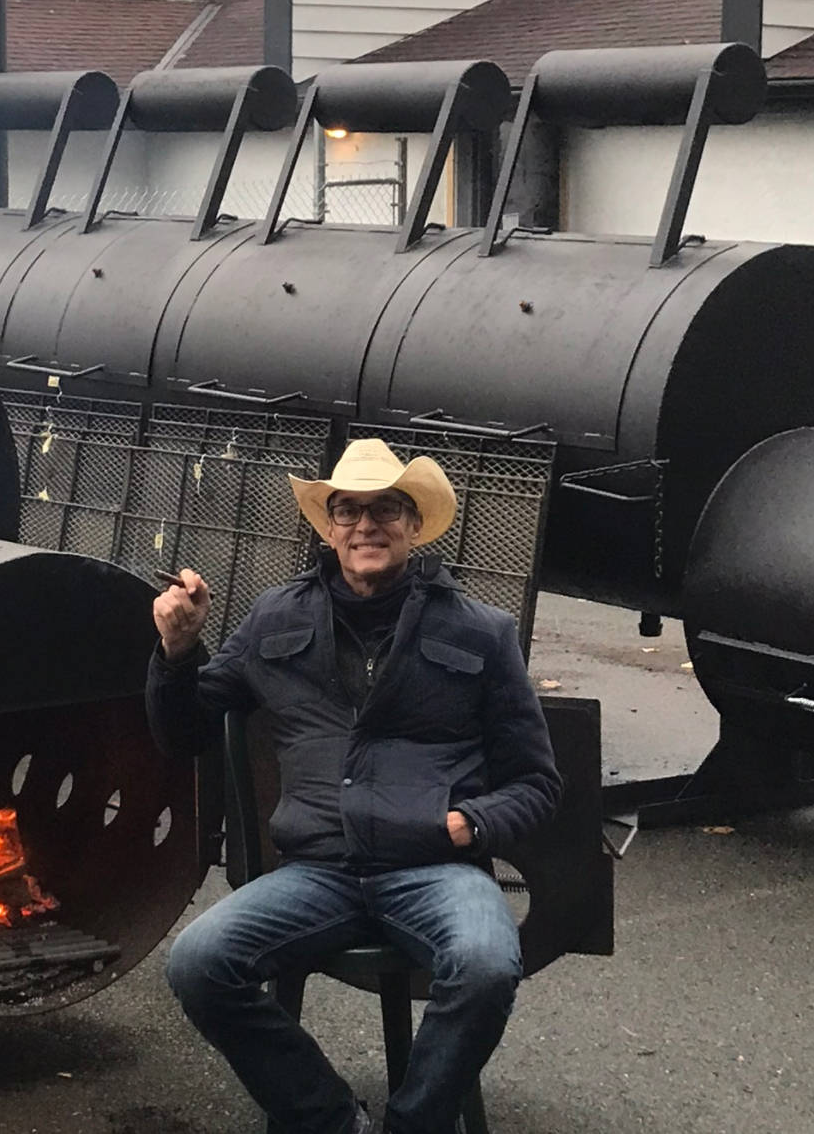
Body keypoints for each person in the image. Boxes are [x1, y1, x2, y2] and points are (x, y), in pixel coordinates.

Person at [147, 437, 562, 1134]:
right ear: (328, 525)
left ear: (413, 524)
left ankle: (414, 1123)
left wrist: (469, 824)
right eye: (348, 510)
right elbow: (184, 731)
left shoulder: (480, 630)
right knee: (197, 961)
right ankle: (329, 1118)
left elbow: (537, 782)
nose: (366, 525)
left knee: (486, 964)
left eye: (386, 509)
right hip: (317, 870)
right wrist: (177, 651)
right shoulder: (275, 616)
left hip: (434, 868)